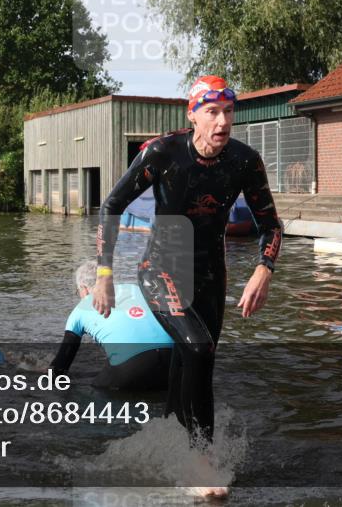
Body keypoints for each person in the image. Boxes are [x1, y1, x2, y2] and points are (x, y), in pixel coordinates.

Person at [94, 75, 283, 449]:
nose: (223, 122)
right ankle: (202, 462)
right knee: (199, 348)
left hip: (211, 276)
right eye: (212, 112)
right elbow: (112, 206)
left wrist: (264, 270)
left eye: (228, 112)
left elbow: (271, 225)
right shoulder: (162, 154)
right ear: (193, 115)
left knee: (195, 361)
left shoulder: (245, 161)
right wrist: (104, 273)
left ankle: (168, 443)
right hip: (161, 269)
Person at [51, 261, 172, 391]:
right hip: (175, 362)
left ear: (84, 288)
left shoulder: (81, 308)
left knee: (92, 390)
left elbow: (61, 367)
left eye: (78, 291)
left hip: (131, 371)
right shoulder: (136, 289)